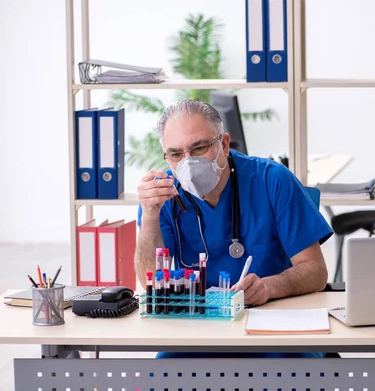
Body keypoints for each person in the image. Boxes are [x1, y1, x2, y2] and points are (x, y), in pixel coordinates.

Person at [134, 98, 333, 358]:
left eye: (199, 148)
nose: (187, 162)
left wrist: (268, 287)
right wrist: (149, 215)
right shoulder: (162, 195)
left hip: (271, 324)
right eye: (175, 154)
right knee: (164, 375)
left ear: (224, 144)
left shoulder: (272, 180)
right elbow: (150, 284)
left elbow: (316, 272)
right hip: (198, 329)